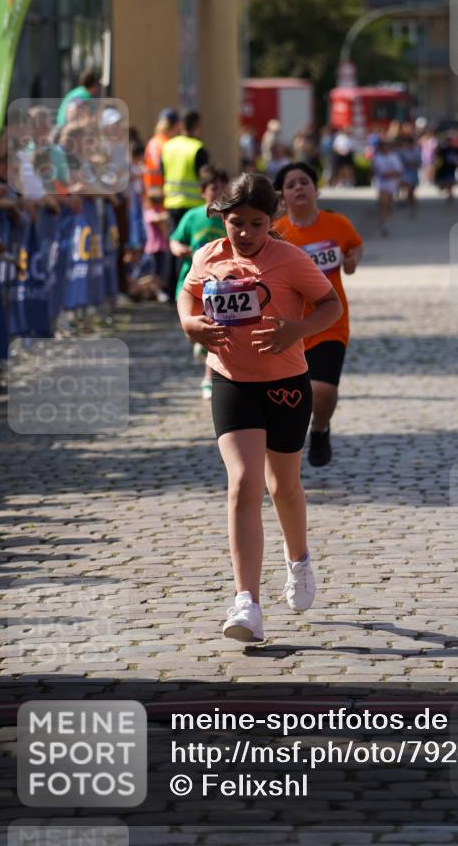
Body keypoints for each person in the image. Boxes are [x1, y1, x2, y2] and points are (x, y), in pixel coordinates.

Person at [177, 173, 342, 643]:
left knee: (283, 487)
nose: (245, 233)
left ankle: (299, 562)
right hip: (232, 381)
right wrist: (191, 324)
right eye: (235, 223)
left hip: (286, 384)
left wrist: (297, 330)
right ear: (220, 219)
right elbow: (187, 293)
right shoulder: (208, 256)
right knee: (243, 483)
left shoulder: (290, 259)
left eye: (256, 223)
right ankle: (246, 601)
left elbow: (329, 305)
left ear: (272, 221)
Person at [273, 162, 362, 466]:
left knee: (322, 390)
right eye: (291, 184)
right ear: (282, 197)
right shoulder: (276, 233)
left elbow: (355, 247)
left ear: (316, 189)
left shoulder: (338, 225)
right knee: (293, 394)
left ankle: (320, 428)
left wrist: (352, 261)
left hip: (330, 319)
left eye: (304, 182)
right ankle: (286, 449)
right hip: (290, 324)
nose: (299, 187)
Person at [169, 166, 229, 399]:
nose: (220, 192)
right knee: (192, 329)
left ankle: (208, 378)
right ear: (203, 191)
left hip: (220, 284)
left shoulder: (230, 217)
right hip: (191, 282)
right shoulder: (193, 216)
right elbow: (175, 239)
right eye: (214, 188)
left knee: (214, 328)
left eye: (224, 187)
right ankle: (201, 347)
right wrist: (178, 249)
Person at [162, 110, 209, 299]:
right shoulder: (198, 148)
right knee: (194, 249)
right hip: (193, 205)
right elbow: (204, 176)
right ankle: (191, 286)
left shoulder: (168, 146)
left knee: (174, 245)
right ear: (196, 126)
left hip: (172, 201)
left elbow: (162, 170)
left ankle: (170, 287)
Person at [144, 108, 180, 202]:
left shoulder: (153, 141)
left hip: (151, 192)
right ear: (176, 126)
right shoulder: (167, 144)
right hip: (162, 194)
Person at [371, 137, 403, 234]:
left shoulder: (394, 157)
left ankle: (386, 216)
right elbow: (373, 170)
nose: (385, 148)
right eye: (383, 147)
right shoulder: (377, 157)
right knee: (383, 203)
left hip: (392, 183)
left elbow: (399, 171)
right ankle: (383, 222)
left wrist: (391, 174)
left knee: (388, 204)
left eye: (387, 147)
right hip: (382, 183)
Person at [397, 132, 421, 216]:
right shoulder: (402, 152)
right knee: (406, 189)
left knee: (411, 192)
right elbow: (398, 163)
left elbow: (419, 162)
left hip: (413, 173)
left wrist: (414, 164)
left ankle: (412, 207)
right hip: (405, 173)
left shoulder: (416, 151)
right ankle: (408, 206)